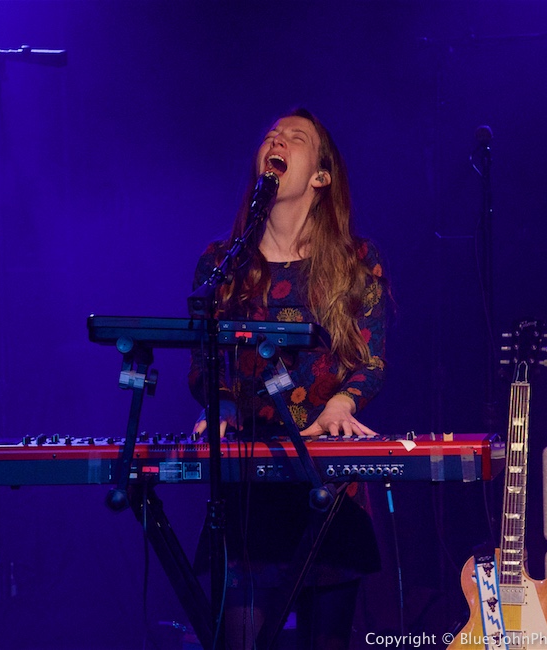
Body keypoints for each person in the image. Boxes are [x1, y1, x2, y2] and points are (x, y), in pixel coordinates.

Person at [188, 108, 389, 650]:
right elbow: (205, 366)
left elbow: (370, 361)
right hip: (248, 488)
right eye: (272, 134)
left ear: (321, 177)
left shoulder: (356, 261)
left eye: (295, 137)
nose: (276, 137)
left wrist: (343, 404)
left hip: (326, 482)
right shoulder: (221, 265)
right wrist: (222, 407)